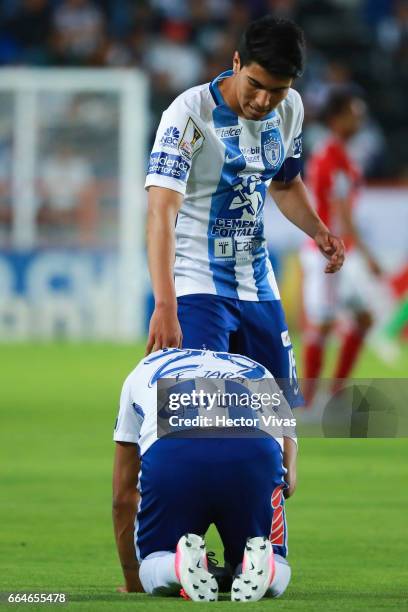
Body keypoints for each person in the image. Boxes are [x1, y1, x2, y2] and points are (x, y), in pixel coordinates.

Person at [145, 16, 345, 409]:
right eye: (255, 85)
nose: (262, 101)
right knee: (205, 420)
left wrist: (318, 230)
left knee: (279, 417)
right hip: (197, 286)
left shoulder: (291, 111)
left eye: (278, 91)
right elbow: (160, 214)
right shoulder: (188, 114)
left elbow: (285, 184)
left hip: (258, 284)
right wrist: (166, 304)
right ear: (236, 62)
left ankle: (281, 477)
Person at [112, 347, 297, 602]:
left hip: (175, 452)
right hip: (254, 452)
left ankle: (177, 565)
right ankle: (262, 564)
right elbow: (290, 471)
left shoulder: (144, 368)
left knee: (156, 559)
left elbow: (122, 497)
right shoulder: (252, 365)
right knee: (269, 554)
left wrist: (134, 580)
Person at [301, 89, 384, 404]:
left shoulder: (337, 153)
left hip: (336, 251)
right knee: (322, 324)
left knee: (362, 318)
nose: (359, 118)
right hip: (325, 252)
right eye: (354, 112)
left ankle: (333, 392)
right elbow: (342, 216)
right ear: (337, 118)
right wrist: (369, 256)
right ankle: (309, 401)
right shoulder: (333, 157)